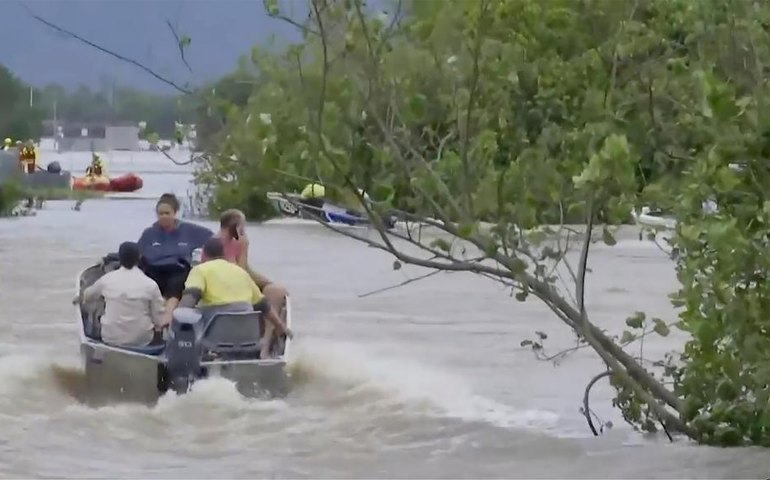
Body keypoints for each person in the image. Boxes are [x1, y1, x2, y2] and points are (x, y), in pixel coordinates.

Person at [179, 237, 292, 359]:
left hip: (215, 337)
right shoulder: (240, 272)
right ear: (224, 254)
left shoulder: (200, 270)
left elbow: (189, 301)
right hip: (248, 337)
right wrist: (281, 326)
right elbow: (264, 305)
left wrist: (174, 320)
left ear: (204, 255)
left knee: (187, 319)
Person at [202, 209, 290, 350]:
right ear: (236, 226)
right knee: (264, 296)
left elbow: (247, 270)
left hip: (241, 284)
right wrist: (244, 248)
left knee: (276, 291)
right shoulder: (214, 245)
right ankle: (263, 341)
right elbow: (240, 274)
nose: (244, 229)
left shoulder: (235, 242)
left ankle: (266, 341)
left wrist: (268, 283)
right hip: (226, 289)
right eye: (243, 225)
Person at [138, 193, 213, 327]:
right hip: (155, 270)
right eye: (160, 213)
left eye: (167, 213)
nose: (164, 217)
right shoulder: (149, 233)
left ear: (175, 213)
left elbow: (214, 241)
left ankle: (166, 319)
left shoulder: (189, 230)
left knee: (177, 283)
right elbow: (137, 252)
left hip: (178, 270)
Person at [78, 242, 165, 347]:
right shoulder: (150, 285)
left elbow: (87, 296)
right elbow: (159, 319)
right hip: (142, 340)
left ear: (120, 258)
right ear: (139, 258)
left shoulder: (107, 280)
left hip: (110, 338)